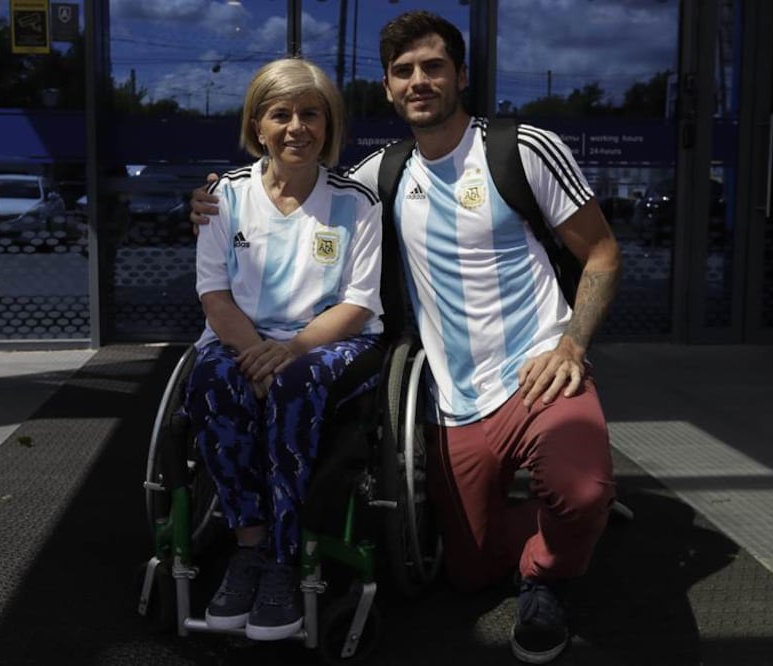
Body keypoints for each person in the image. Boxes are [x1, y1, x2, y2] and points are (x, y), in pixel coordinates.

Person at [189, 11, 621, 663]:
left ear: (460, 76)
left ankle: (550, 571)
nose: (418, 81)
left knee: (580, 490)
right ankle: (565, 516)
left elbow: (602, 254)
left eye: (432, 67)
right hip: (452, 397)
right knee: (467, 571)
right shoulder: (378, 176)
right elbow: (300, 183)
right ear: (388, 88)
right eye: (403, 72)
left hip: (539, 371)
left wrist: (571, 345)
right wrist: (206, 202)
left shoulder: (521, 148)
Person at [183, 56, 384, 642]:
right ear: (257, 127)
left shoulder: (357, 201)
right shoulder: (224, 196)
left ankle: (285, 555)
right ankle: (248, 545)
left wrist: (290, 351)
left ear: (329, 124)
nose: (297, 127)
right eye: (281, 115)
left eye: (311, 114)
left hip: (328, 340)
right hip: (244, 339)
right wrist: (257, 353)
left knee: (297, 385)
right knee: (213, 379)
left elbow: (359, 303)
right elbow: (214, 296)